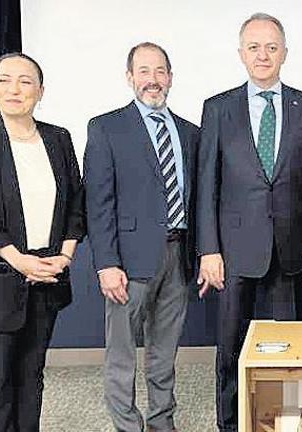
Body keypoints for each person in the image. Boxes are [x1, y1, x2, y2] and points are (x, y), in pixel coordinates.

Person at [196, 13, 302, 431]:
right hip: (234, 250)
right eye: (254, 47)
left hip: (292, 248)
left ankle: (285, 421)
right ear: (241, 53)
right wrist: (208, 250)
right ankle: (230, 423)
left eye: (272, 47)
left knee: (288, 347)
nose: (263, 55)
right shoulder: (218, 108)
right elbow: (207, 185)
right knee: (231, 346)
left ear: (285, 53)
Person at [0, 52, 85, 432]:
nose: (15, 89)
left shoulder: (58, 139)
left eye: (26, 81)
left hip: (47, 275)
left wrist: (64, 256)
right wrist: (19, 260)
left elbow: (76, 203)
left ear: (40, 91)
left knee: (31, 374)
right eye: (5, 80)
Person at [84, 42, 199, 432]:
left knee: (164, 354)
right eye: (144, 71)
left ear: (171, 78)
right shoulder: (106, 128)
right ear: (130, 77)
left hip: (178, 256)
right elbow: (98, 202)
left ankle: (162, 422)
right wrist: (106, 263)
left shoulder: (190, 133)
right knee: (121, 356)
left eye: (160, 71)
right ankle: (128, 427)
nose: (153, 79)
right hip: (127, 262)